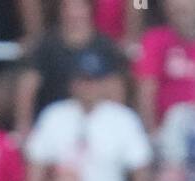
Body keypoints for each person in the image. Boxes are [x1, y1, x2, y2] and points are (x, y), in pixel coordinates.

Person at [25, 47, 152, 181]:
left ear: (103, 83)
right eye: (83, 79)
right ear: (72, 82)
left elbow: (140, 175)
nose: (89, 86)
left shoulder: (123, 119)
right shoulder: (54, 116)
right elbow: (36, 171)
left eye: (94, 80)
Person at [15, 0, 124, 138]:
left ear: (89, 9)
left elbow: (115, 89)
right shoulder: (46, 45)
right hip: (53, 123)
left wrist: (117, 125)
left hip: (97, 122)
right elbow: (27, 87)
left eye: (79, 7)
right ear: (61, 10)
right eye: (69, 7)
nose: (74, 13)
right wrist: (24, 126)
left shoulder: (105, 46)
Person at [134, 0, 195, 130]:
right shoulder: (154, 39)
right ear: (167, 10)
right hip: (167, 129)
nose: (183, 16)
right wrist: (151, 131)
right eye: (176, 10)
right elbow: (146, 90)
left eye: (187, 9)